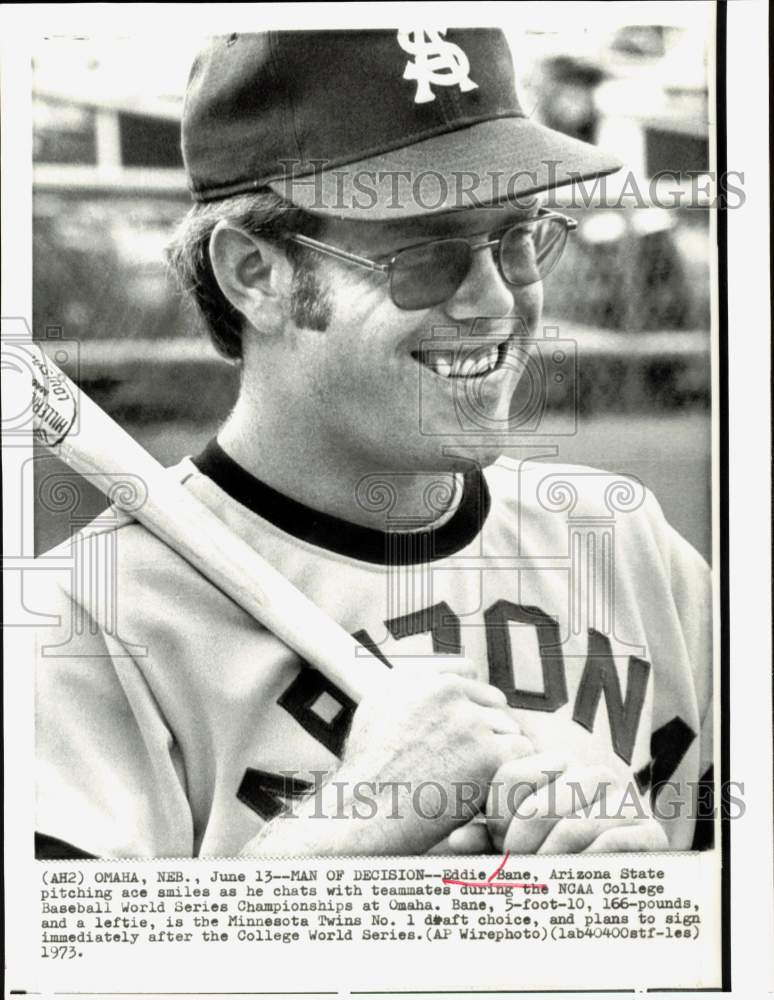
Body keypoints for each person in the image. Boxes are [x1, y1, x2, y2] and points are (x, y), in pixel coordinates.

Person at [34, 29, 713, 860]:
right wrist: (349, 827)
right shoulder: (92, 613)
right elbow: (73, 978)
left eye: (519, 238)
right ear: (255, 274)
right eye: (427, 253)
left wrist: (657, 897)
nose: (494, 300)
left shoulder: (626, 542)